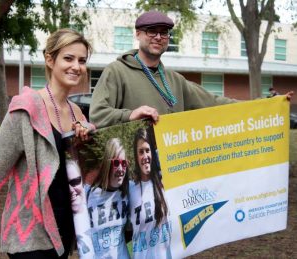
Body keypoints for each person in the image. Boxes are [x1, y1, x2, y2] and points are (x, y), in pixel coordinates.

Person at [89, 10, 294, 128]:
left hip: (173, 169)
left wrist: (267, 105)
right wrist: (130, 114)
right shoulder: (116, 71)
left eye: (164, 33)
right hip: (135, 173)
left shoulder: (174, 79)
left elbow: (214, 103)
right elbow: (98, 115)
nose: (159, 37)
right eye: (152, 31)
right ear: (138, 34)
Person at [0, 28, 95, 259]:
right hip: (29, 232)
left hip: (65, 227)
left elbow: (85, 172)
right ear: (50, 60)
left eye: (81, 60)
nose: (76, 66)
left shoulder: (77, 113)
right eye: (68, 58)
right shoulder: (26, 108)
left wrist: (89, 137)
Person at [129, 128, 172, 259]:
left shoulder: (166, 182)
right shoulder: (130, 189)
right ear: (136, 156)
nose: (145, 156)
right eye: (141, 152)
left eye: (147, 150)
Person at [86, 138, 130, 258]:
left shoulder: (127, 193)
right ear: (107, 163)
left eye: (124, 163)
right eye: (116, 163)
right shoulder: (87, 194)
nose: (121, 169)